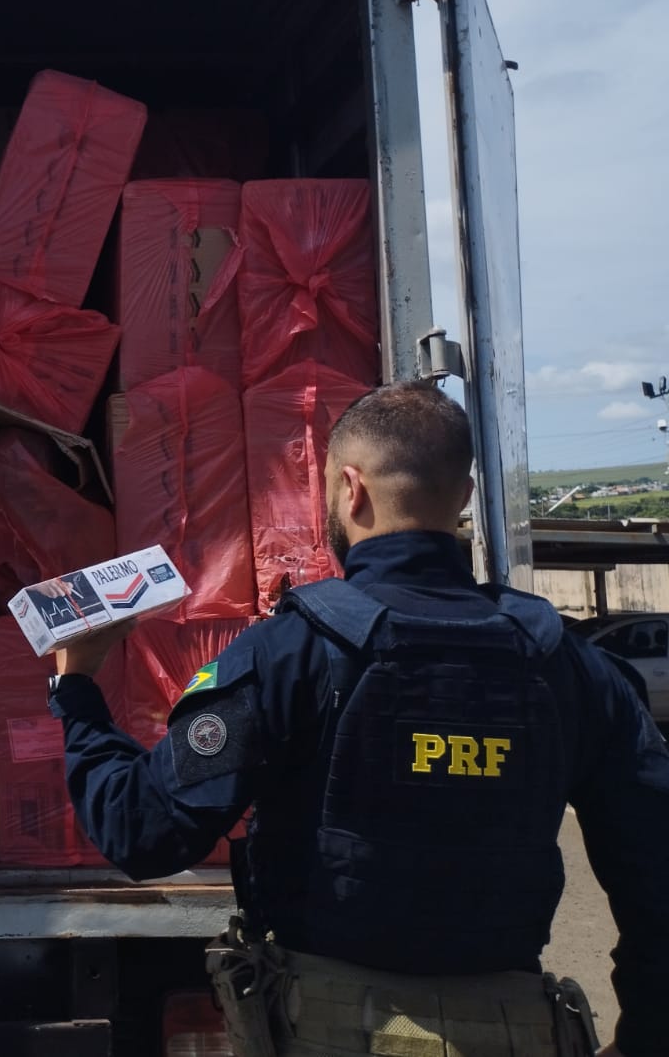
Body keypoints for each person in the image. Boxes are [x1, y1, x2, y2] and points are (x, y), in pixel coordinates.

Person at [48, 380, 669, 1056]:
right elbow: (657, 877)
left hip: (330, 1031)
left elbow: (140, 829)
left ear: (351, 490)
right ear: (461, 499)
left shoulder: (291, 653)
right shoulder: (572, 669)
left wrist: (77, 688)